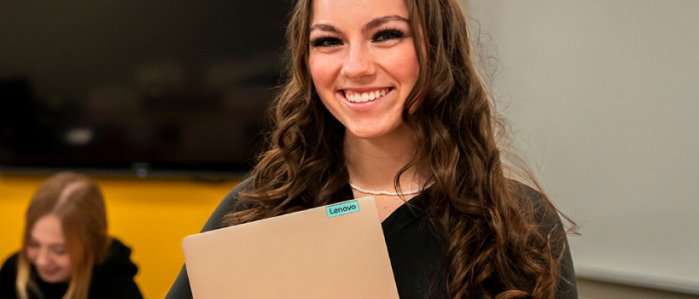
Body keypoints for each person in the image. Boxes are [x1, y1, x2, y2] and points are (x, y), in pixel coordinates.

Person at [165, 0, 577, 298]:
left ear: (438, 46)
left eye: (387, 35)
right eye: (328, 41)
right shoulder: (254, 208)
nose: (356, 66)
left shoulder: (519, 223)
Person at [0, 172, 144, 299]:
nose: (42, 261)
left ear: (91, 244)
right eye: (33, 244)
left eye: (59, 250)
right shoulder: (13, 272)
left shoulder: (119, 287)